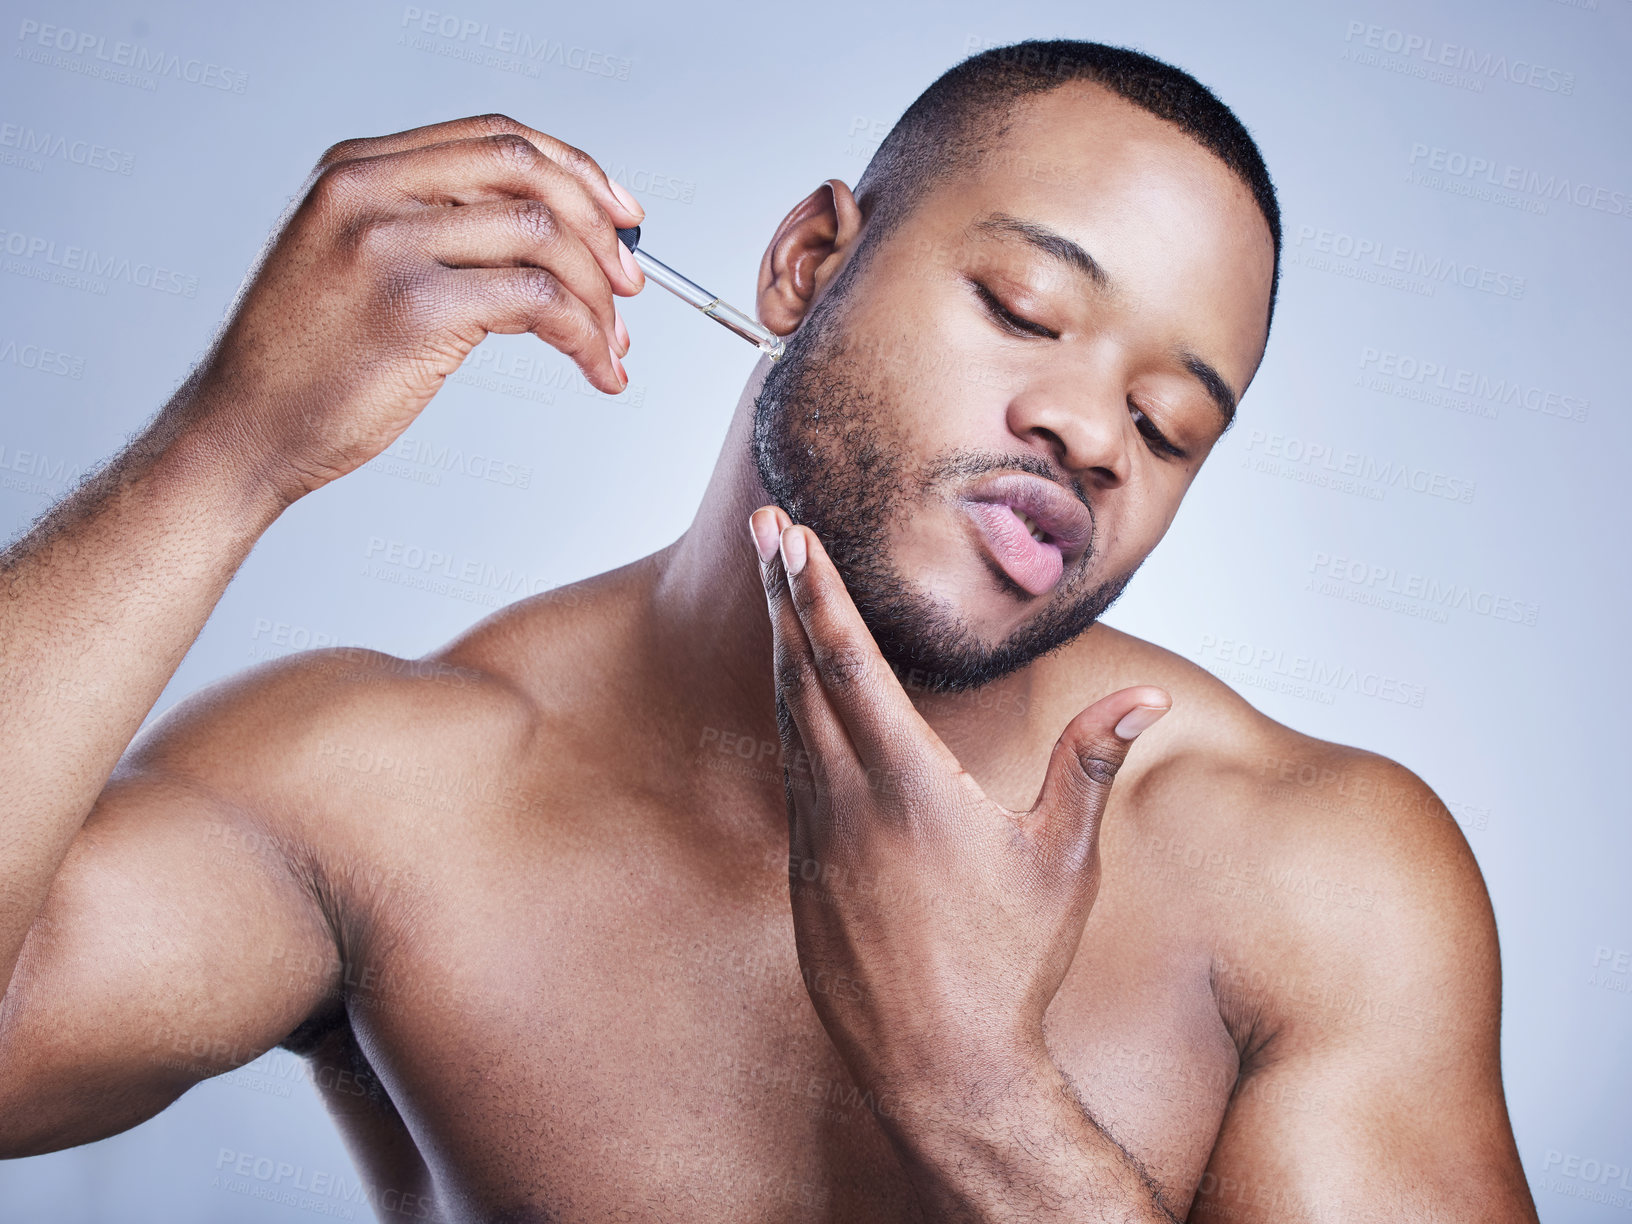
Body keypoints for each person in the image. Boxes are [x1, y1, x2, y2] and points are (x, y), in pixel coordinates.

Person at [0, 40, 1536, 1223]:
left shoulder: (1319, 875)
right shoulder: (382, 797)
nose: (1089, 433)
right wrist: (225, 455)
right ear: (808, 263)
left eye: (1168, 422)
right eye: (1021, 308)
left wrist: (983, 1101)